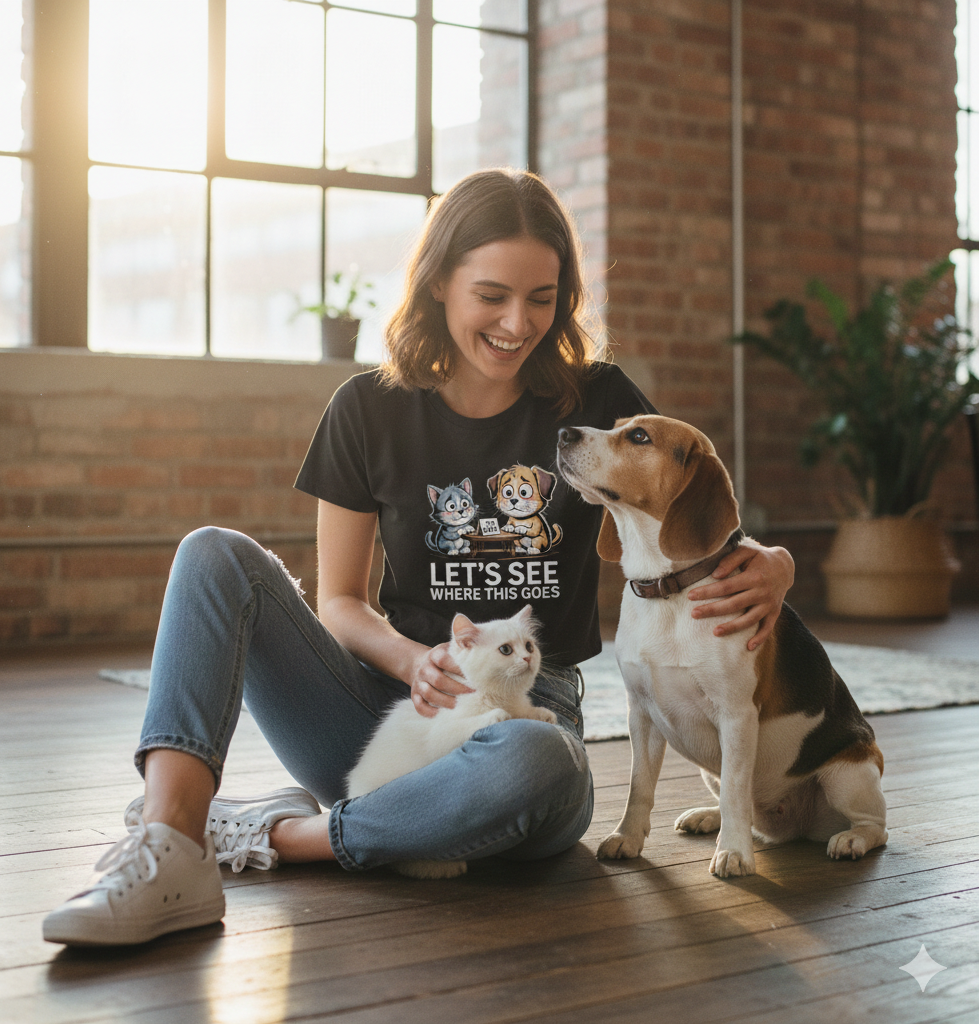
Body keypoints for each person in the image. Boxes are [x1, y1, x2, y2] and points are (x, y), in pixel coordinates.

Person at [43, 169, 795, 946]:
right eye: (492, 295)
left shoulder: (593, 402)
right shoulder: (367, 408)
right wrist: (411, 662)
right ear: (439, 282)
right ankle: (172, 848)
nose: (519, 322)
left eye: (543, 297)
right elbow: (337, 600)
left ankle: (282, 837)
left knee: (539, 762)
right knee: (214, 555)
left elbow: (695, 491)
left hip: (521, 721)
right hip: (383, 722)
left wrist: (776, 562)